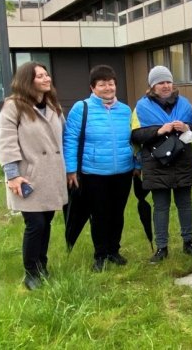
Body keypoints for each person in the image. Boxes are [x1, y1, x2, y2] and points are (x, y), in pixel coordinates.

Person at [0, 62, 67, 290]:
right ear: (28, 80)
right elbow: (6, 143)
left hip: (51, 174)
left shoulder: (53, 105)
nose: (47, 79)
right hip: (28, 176)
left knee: (46, 222)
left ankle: (42, 265)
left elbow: (64, 137)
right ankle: (31, 273)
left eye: (47, 74)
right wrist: (12, 175)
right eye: (40, 76)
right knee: (35, 223)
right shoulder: (14, 106)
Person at [63, 65, 135, 272]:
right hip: (93, 172)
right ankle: (100, 254)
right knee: (100, 214)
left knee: (117, 213)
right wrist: (71, 170)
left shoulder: (125, 110)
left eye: (111, 83)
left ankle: (114, 250)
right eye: (102, 84)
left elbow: (133, 140)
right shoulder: (81, 108)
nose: (107, 88)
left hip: (123, 171)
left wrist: (137, 164)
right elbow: (70, 139)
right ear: (93, 87)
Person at [131, 66, 192, 264]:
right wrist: (159, 130)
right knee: (160, 207)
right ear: (152, 86)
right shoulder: (141, 107)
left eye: (168, 82)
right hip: (156, 163)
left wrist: (187, 127)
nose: (166, 86)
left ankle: (188, 243)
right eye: (161, 82)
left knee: (185, 204)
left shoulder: (186, 105)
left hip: (182, 161)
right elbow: (135, 134)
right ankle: (162, 247)